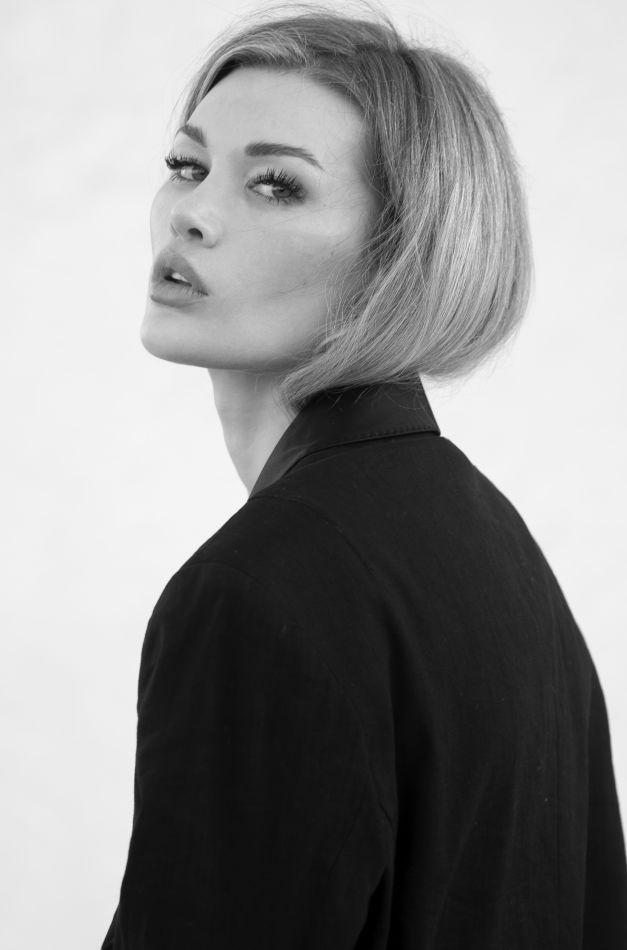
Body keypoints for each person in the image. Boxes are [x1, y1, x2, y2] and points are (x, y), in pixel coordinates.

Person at [100, 3, 627, 947]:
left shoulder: (258, 589)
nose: (192, 212)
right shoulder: (490, 542)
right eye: (187, 165)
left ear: (399, 257)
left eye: (276, 186)